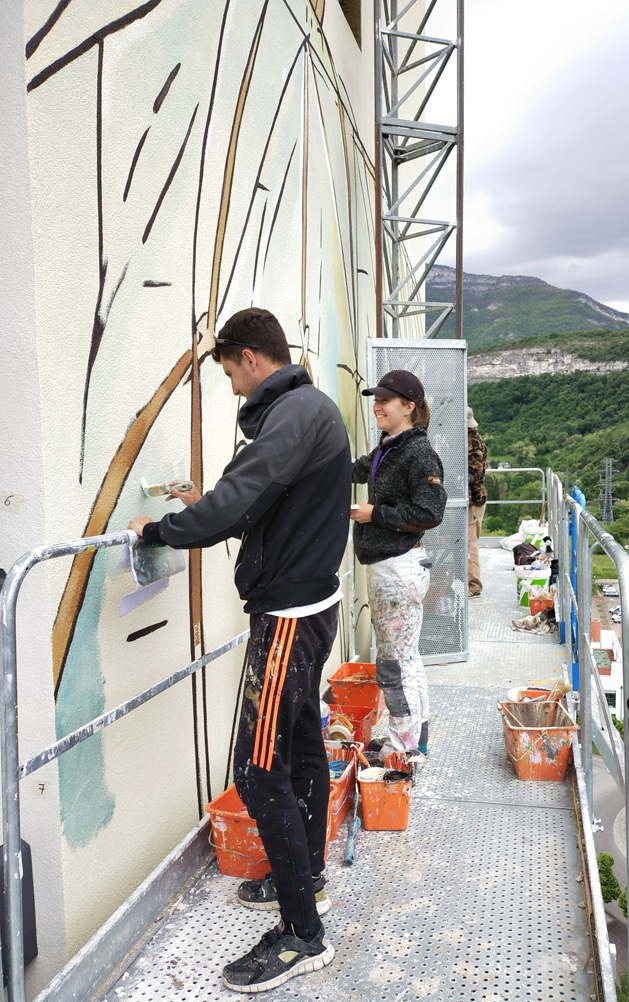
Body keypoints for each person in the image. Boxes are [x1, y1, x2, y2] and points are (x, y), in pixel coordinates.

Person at [128, 307, 350, 994]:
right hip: (312, 605)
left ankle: (302, 937)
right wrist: (210, 501)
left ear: (252, 358)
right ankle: (305, 883)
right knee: (304, 748)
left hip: (286, 615)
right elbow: (260, 503)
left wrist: (161, 528)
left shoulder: (293, 412)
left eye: (228, 373)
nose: (230, 389)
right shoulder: (310, 410)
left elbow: (242, 499)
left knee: (258, 773)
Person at [350, 370, 447, 762]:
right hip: (391, 568)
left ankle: (400, 750)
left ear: (409, 407)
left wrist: (375, 514)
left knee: (392, 663)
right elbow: (355, 470)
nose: (377, 404)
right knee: (407, 658)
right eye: (375, 398)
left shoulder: (418, 452)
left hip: (397, 570)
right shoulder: (389, 447)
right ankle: (415, 740)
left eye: (385, 399)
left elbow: (430, 510)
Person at [467, 406, 488, 597]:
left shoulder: (472, 443)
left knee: (470, 542)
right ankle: (472, 582)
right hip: (475, 498)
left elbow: (474, 473)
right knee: (471, 541)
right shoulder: (475, 438)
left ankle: (473, 584)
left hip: (473, 498)